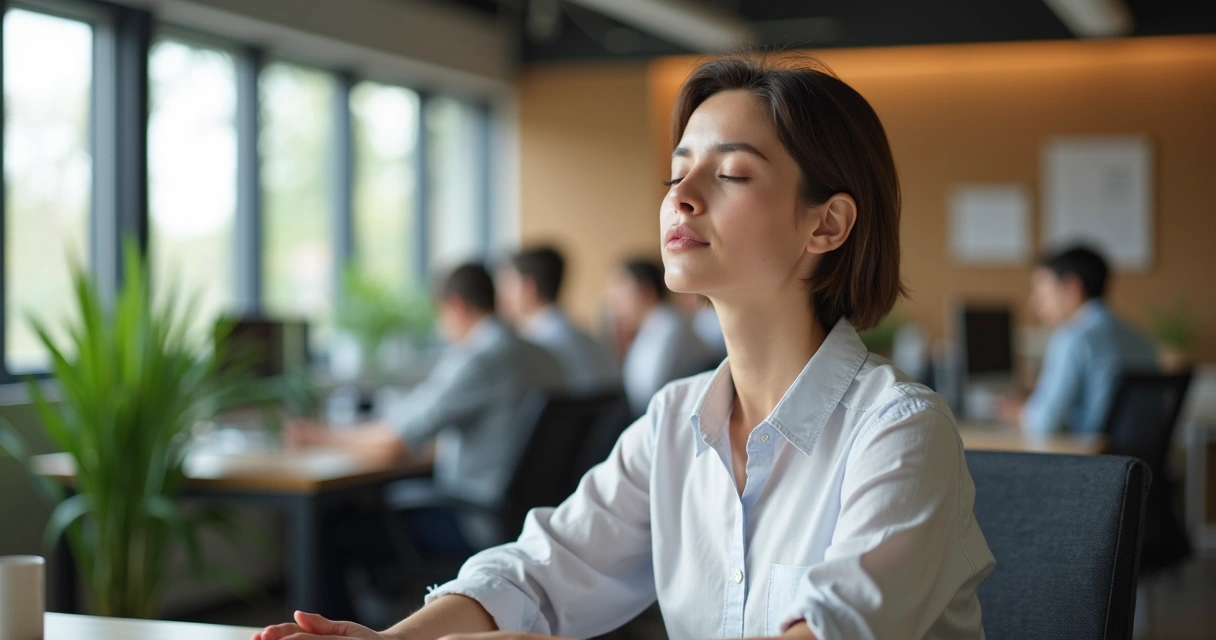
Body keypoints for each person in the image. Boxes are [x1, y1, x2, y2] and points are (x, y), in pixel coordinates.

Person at [256, 54, 993, 640]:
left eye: (731, 173)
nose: (682, 194)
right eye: (678, 173)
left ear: (826, 225)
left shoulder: (900, 432)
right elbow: (543, 571)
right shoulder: (676, 421)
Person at [288, 263, 564, 509]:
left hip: (473, 518)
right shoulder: (544, 354)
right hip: (531, 517)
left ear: (455, 307)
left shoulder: (478, 359)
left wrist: (317, 436)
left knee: (346, 522)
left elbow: (394, 442)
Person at [998, 246, 1158, 434]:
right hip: (1136, 461)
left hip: (1094, 460)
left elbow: (1044, 422)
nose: (1035, 302)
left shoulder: (1072, 337)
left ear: (1072, 288)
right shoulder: (1142, 339)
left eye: (1042, 291)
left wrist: (1017, 412)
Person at [496, 246, 616, 395]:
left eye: (508, 284)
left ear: (529, 288)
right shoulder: (586, 338)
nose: (501, 293)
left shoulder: (536, 346)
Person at [609, 258, 711, 416]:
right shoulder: (654, 326)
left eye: (623, 290)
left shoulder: (669, 328)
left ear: (647, 292)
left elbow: (647, 393)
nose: (616, 302)